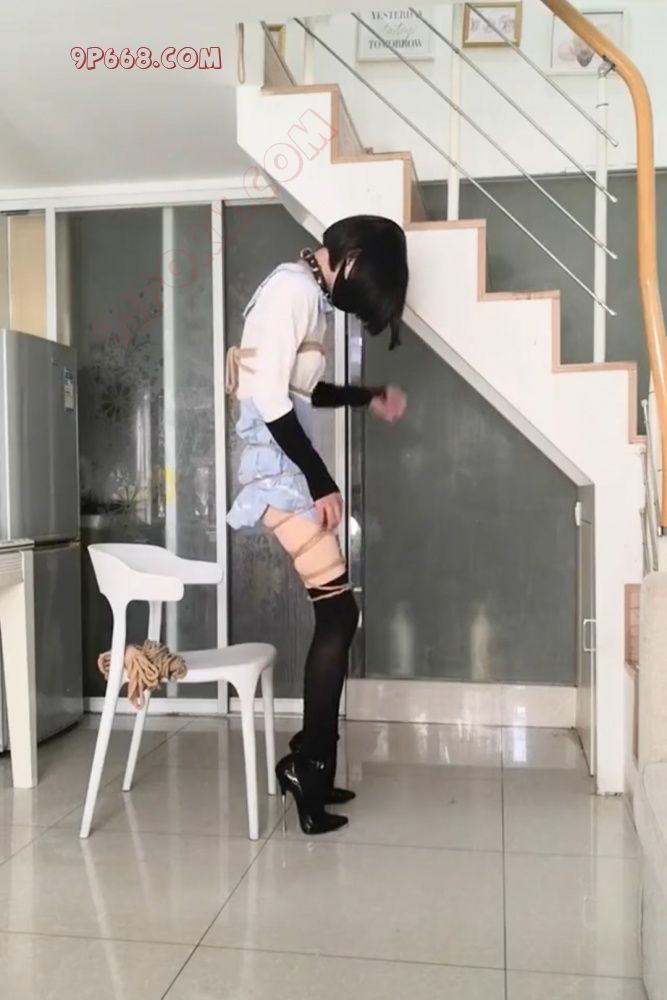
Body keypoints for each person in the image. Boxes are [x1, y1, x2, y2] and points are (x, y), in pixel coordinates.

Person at [226, 214, 409, 834]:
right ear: (349, 262)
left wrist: (366, 395)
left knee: (337, 612)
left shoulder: (306, 290)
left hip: (283, 468)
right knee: (339, 614)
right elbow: (270, 399)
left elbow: (305, 390)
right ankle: (309, 768)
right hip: (276, 472)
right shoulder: (292, 291)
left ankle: (312, 765)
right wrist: (321, 480)